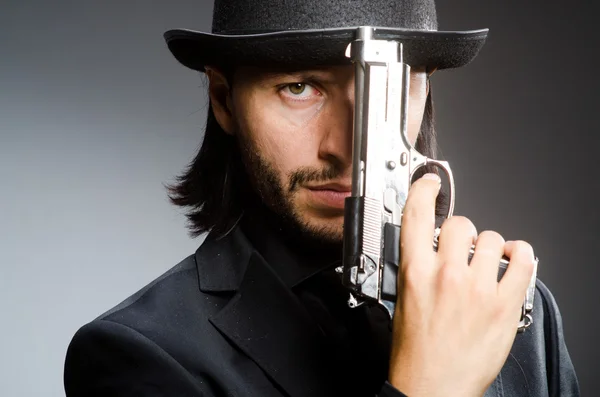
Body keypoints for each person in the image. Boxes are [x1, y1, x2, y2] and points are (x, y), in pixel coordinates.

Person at [64, 0, 580, 396]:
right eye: (299, 87)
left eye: (387, 93)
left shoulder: (511, 305)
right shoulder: (140, 355)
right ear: (223, 99)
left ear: (425, 88)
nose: (343, 147)